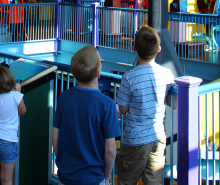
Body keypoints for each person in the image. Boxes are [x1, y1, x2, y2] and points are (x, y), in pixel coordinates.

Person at [116, 27, 177, 185]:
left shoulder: (129, 77)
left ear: (134, 48)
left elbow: (123, 109)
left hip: (134, 139)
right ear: (159, 49)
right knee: (153, 181)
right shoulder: (166, 74)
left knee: (126, 180)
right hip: (157, 138)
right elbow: (173, 103)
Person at [53, 46, 120, 185]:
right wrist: (106, 177)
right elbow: (111, 150)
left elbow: (55, 138)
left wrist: (65, 165)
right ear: (98, 72)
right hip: (94, 178)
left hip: (66, 177)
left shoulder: (64, 98)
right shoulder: (107, 104)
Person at [0, 65, 26, 185]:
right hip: (8, 140)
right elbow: (22, 112)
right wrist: (18, 92)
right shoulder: (16, 96)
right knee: (6, 179)